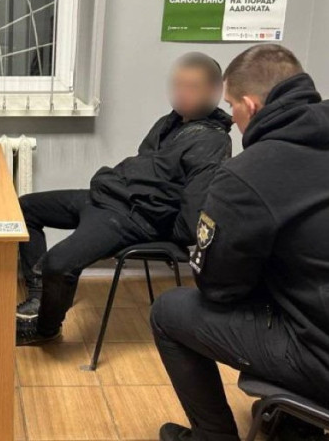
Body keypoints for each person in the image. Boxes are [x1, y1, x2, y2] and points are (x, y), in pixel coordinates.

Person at [151, 44, 329, 441]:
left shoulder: (248, 173)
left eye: (231, 106)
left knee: (169, 311)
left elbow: (218, 287)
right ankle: (294, 425)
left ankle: (213, 437)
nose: (232, 119)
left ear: (250, 106)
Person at [17, 52, 232, 346]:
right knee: (25, 208)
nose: (182, 93)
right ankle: (40, 294)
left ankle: (45, 329)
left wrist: (155, 225)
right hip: (106, 197)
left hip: (131, 217)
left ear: (215, 91)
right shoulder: (169, 123)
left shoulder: (212, 141)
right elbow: (145, 170)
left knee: (59, 263)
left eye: (192, 87)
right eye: (178, 85)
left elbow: (192, 216)